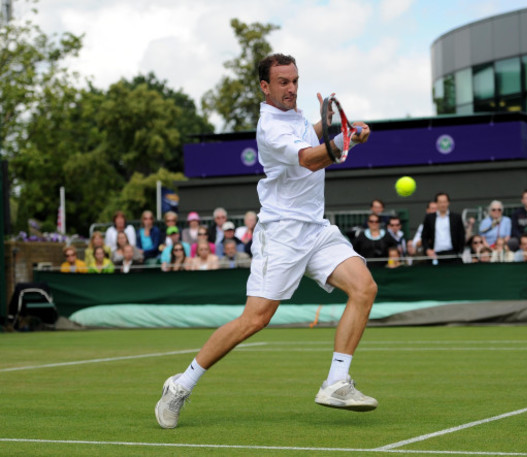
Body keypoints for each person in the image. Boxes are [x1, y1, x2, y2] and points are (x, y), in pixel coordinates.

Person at [156, 53, 376, 429]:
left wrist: (336, 130)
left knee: (364, 287)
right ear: (265, 86)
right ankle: (180, 384)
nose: (291, 88)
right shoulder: (270, 127)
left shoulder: (295, 118)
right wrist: (347, 142)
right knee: (255, 319)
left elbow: (312, 137)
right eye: (282, 82)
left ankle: (336, 382)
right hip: (282, 235)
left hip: (316, 230)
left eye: (294, 80)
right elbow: (308, 159)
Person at [421, 192, 465, 264]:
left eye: (445, 202)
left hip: (453, 254)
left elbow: (461, 235)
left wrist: (460, 252)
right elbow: (424, 236)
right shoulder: (429, 218)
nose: (443, 204)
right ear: (436, 203)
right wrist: (427, 249)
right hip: (435, 255)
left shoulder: (456, 217)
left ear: (448, 203)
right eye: (440, 202)